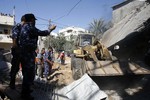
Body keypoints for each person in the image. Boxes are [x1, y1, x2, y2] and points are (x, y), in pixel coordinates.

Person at [19, 13, 56, 100]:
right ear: (32, 20)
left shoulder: (23, 27)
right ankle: (25, 95)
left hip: (24, 53)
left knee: (26, 73)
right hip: (28, 54)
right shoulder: (30, 26)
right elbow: (42, 33)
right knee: (29, 74)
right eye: (34, 20)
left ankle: (26, 91)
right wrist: (50, 29)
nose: (35, 22)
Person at [9, 15, 26, 89]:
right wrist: (16, 47)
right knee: (15, 68)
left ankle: (24, 86)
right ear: (24, 20)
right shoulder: (18, 26)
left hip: (22, 50)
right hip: (17, 50)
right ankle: (12, 83)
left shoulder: (24, 27)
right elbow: (14, 37)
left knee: (21, 68)